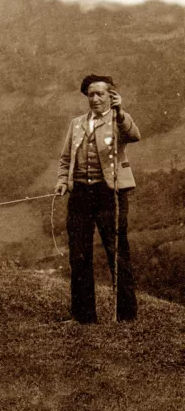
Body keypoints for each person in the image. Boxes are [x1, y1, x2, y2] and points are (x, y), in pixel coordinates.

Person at [54, 74, 140, 324]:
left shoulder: (119, 120)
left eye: (101, 94)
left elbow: (134, 135)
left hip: (109, 194)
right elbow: (65, 158)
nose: (95, 99)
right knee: (78, 255)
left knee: (117, 252)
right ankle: (83, 316)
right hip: (80, 194)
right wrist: (62, 181)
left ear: (111, 96)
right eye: (91, 94)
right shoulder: (77, 123)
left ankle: (126, 316)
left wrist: (120, 110)